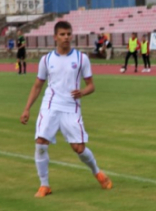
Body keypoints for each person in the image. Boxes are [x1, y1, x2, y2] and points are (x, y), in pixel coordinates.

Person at [19, 21, 113, 198]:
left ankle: (97, 172)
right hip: (50, 105)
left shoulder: (81, 58)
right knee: (40, 142)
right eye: (62, 34)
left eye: (69, 34)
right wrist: (27, 109)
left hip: (71, 107)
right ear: (55, 37)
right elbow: (38, 86)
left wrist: (82, 92)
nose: (66, 37)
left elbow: (91, 86)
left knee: (78, 148)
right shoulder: (46, 60)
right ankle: (44, 185)